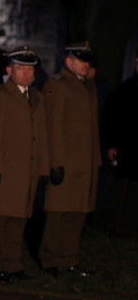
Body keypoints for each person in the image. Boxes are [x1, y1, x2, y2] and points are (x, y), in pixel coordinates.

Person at [0, 46, 49, 283]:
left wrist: (42, 168)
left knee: (19, 219)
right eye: (21, 69)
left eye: (30, 70)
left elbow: (40, 136)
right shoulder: (0, 95)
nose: (26, 74)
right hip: (6, 167)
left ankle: (13, 263)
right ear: (10, 70)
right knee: (0, 220)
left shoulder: (38, 98)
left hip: (27, 170)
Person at [40, 42, 101, 277]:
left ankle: (69, 259)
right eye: (81, 59)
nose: (86, 64)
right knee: (58, 213)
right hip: (66, 160)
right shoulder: (57, 85)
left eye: (88, 60)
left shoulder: (88, 85)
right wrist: (55, 162)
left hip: (85, 162)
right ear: (68, 61)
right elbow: (53, 126)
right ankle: (50, 260)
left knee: (77, 214)